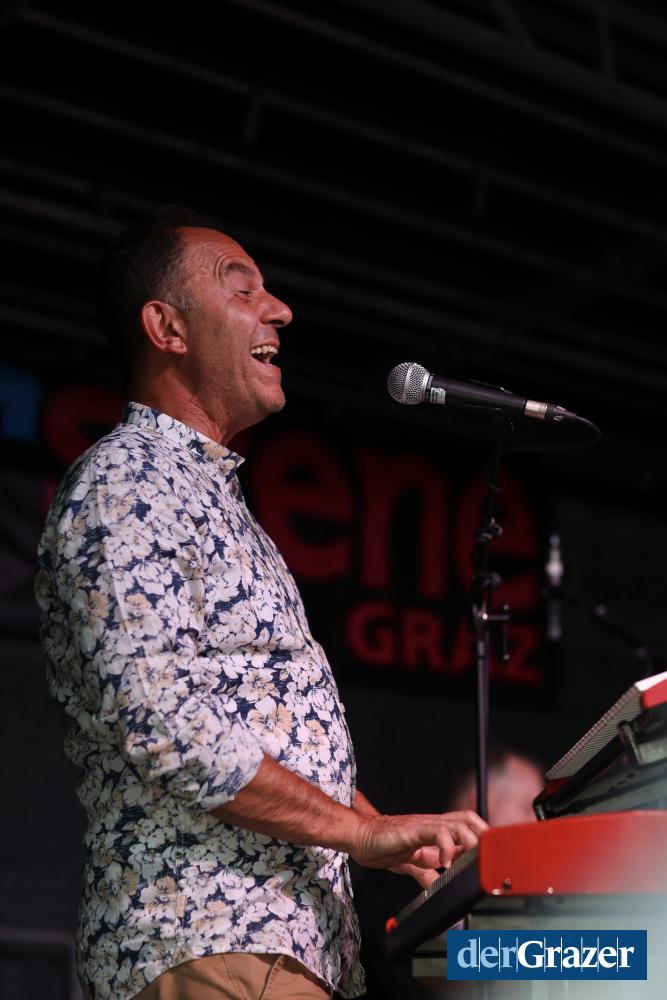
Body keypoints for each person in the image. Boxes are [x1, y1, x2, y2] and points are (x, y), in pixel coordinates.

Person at [35, 207, 487, 1000]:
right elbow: (164, 720)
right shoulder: (127, 483)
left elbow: (254, 735)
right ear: (166, 328)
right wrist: (359, 830)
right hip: (211, 938)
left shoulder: (213, 500)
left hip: (281, 948)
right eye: (241, 289)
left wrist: (383, 837)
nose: (279, 310)